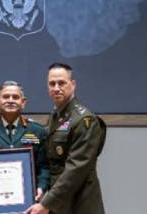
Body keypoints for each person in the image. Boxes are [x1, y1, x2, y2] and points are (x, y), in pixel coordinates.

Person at [25, 63, 106, 214]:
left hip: (79, 203)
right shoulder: (56, 116)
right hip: (60, 201)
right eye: (52, 84)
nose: (56, 88)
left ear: (73, 84)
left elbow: (77, 168)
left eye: (61, 83)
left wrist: (47, 203)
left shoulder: (84, 119)